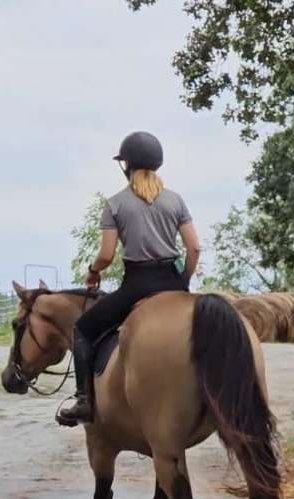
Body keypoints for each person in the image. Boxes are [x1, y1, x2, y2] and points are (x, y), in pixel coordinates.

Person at [57, 131, 201, 426]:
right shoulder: (176, 201)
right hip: (172, 280)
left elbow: (106, 255)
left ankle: (84, 401)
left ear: (126, 165)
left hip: (138, 284)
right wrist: (183, 279)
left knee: (83, 330)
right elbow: (194, 247)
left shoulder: (115, 204)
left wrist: (93, 272)